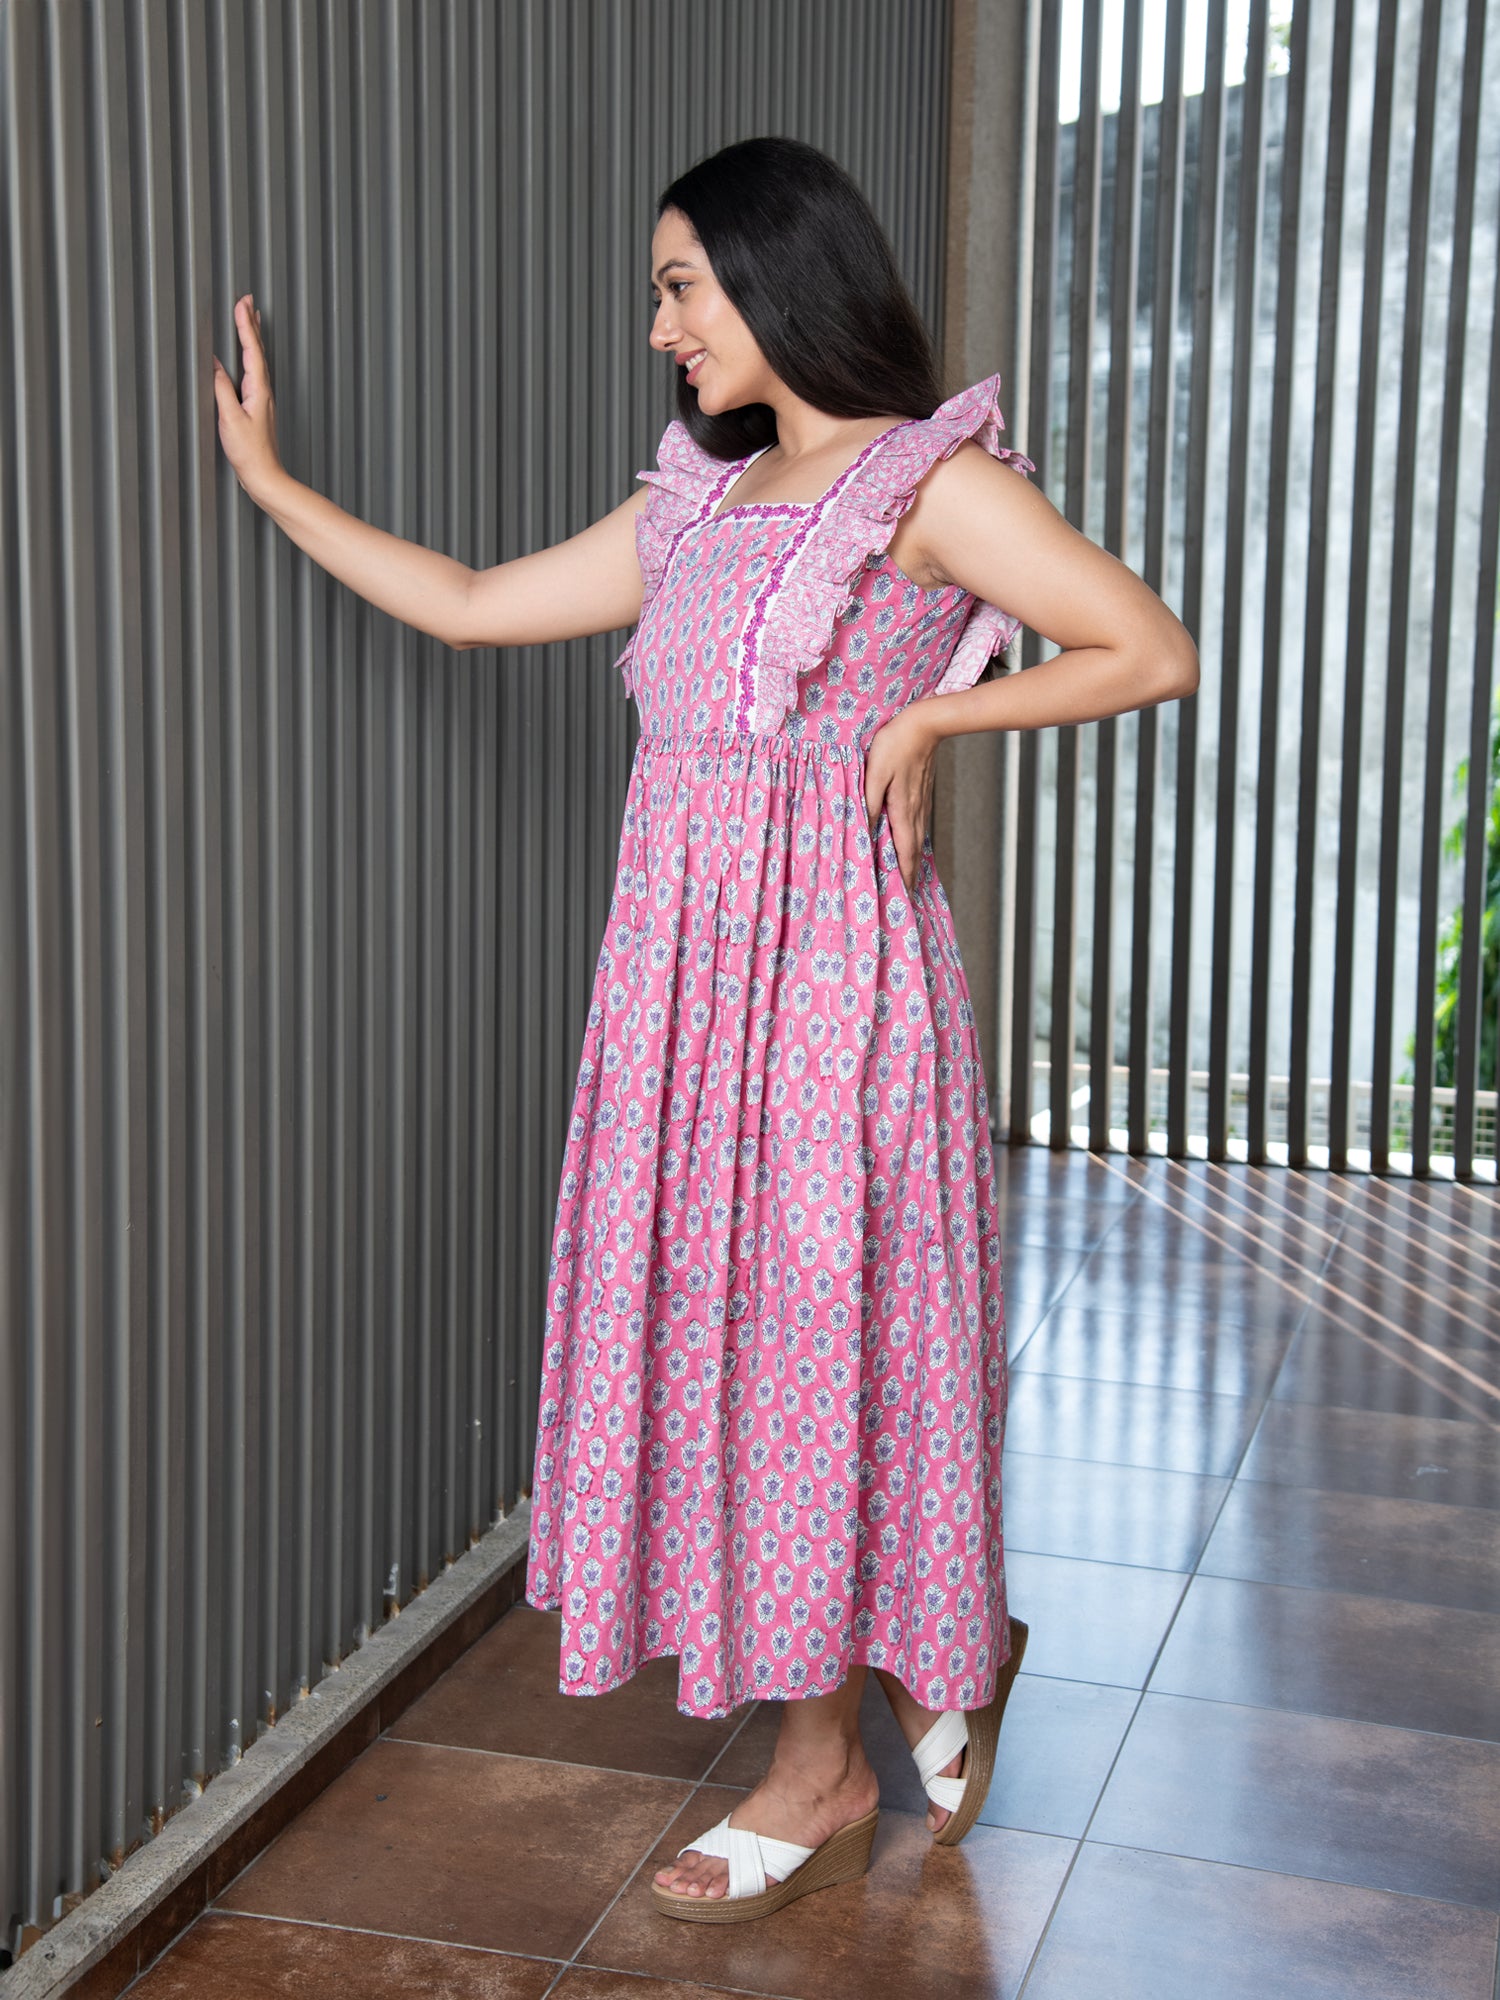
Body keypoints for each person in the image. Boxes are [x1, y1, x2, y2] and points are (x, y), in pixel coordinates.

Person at [213, 133, 1198, 1925]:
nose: (664, 325)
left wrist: (932, 724)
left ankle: (828, 1761)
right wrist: (274, 485)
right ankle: (941, 1650)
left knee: (832, 1355)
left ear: (773, 273)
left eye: (682, 285)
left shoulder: (926, 484)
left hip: (836, 1009)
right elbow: (471, 604)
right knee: (740, 1364)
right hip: (676, 1013)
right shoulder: (692, 508)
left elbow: (1146, 646)